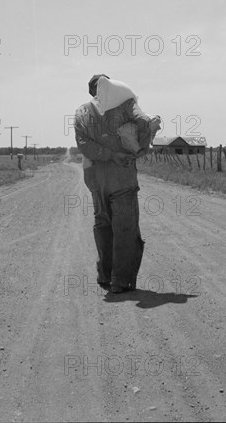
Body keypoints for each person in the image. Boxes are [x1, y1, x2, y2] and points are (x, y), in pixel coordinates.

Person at [74, 74, 155, 293]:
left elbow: (84, 145)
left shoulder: (81, 113)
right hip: (122, 177)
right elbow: (144, 122)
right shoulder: (125, 104)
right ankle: (121, 281)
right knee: (125, 228)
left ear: (91, 91)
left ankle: (104, 275)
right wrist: (141, 145)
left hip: (95, 179)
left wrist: (106, 154)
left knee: (103, 224)